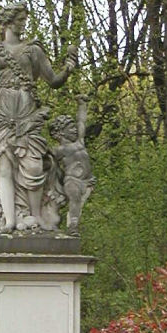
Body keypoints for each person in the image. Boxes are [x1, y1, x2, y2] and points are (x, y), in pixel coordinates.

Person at [0, 3, 77, 232]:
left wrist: (68, 69)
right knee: (4, 166)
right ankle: (9, 221)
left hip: (26, 114)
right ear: (8, 21)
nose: (24, 23)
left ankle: (36, 217)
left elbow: (53, 80)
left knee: (34, 165)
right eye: (20, 19)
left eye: (25, 19)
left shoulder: (33, 51)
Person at [49, 96, 95, 235]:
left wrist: (82, 105)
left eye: (74, 127)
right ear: (61, 132)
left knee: (79, 205)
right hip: (72, 181)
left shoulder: (80, 142)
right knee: (74, 201)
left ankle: (72, 224)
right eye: (70, 128)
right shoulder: (59, 150)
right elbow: (46, 160)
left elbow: (81, 122)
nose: (75, 130)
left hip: (87, 181)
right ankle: (72, 226)